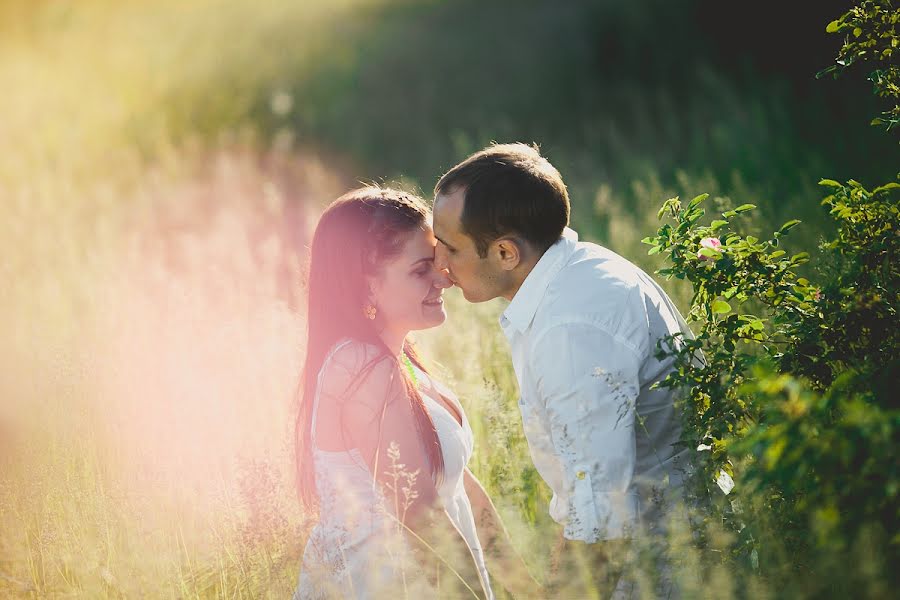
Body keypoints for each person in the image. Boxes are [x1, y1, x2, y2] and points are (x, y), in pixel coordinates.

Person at [432, 143, 694, 597]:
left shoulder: (570, 329)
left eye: (450, 248)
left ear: (505, 253)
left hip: (661, 568)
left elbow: (600, 516)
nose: (440, 264)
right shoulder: (577, 272)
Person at [292, 186, 535, 599]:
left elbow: (461, 489)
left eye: (439, 260)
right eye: (421, 270)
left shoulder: (398, 359)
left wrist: (528, 592)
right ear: (366, 287)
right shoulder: (361, 368)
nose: (444, 278)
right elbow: (421, 517)